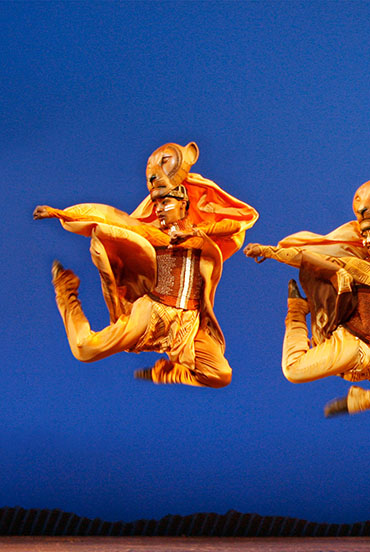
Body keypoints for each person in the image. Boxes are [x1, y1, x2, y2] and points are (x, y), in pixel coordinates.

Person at [33, 142, 258, 387]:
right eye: (157, 204)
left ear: (184, 204)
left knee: (221, 375)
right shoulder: (154, 235)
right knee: (84, 349)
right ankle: (66, 293)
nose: (159, 209)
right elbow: (106, 218)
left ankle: (168, 373)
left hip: (189, 324)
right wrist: (61, 214)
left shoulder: (200, 236)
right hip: (151, 313)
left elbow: (235, 224)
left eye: (166, 203)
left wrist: (198, 232)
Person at [243, 178, 370, 417]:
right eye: (365, 236)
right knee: (293, 370)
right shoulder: (358, 267)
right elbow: (308, 258)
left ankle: (360, 400)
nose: (368, 240)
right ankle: (295, 311)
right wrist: (269, 251)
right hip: (351, 347)